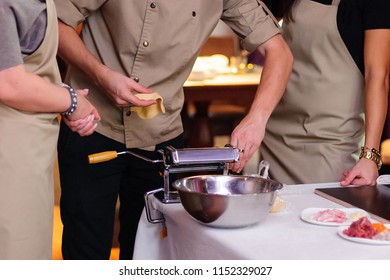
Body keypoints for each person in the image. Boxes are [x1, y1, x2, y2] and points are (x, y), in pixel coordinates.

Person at [53, 0, 293, 260]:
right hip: (92, 125)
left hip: (162, 141)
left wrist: (257, 119)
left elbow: (279, 51)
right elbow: (55, 23)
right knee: (85, 253)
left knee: (149, 257)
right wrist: (101, 75)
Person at [0, 0, 100, 259]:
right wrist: (71, 102)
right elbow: (8, 83)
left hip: (27, 151)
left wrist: (63, 94)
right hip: (10, 154)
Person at [261, 0, 390, 186]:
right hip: (277, 133)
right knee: (276, 211)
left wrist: (370, 155)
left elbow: (378, 76)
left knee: (327, 211)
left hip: (332, 139)